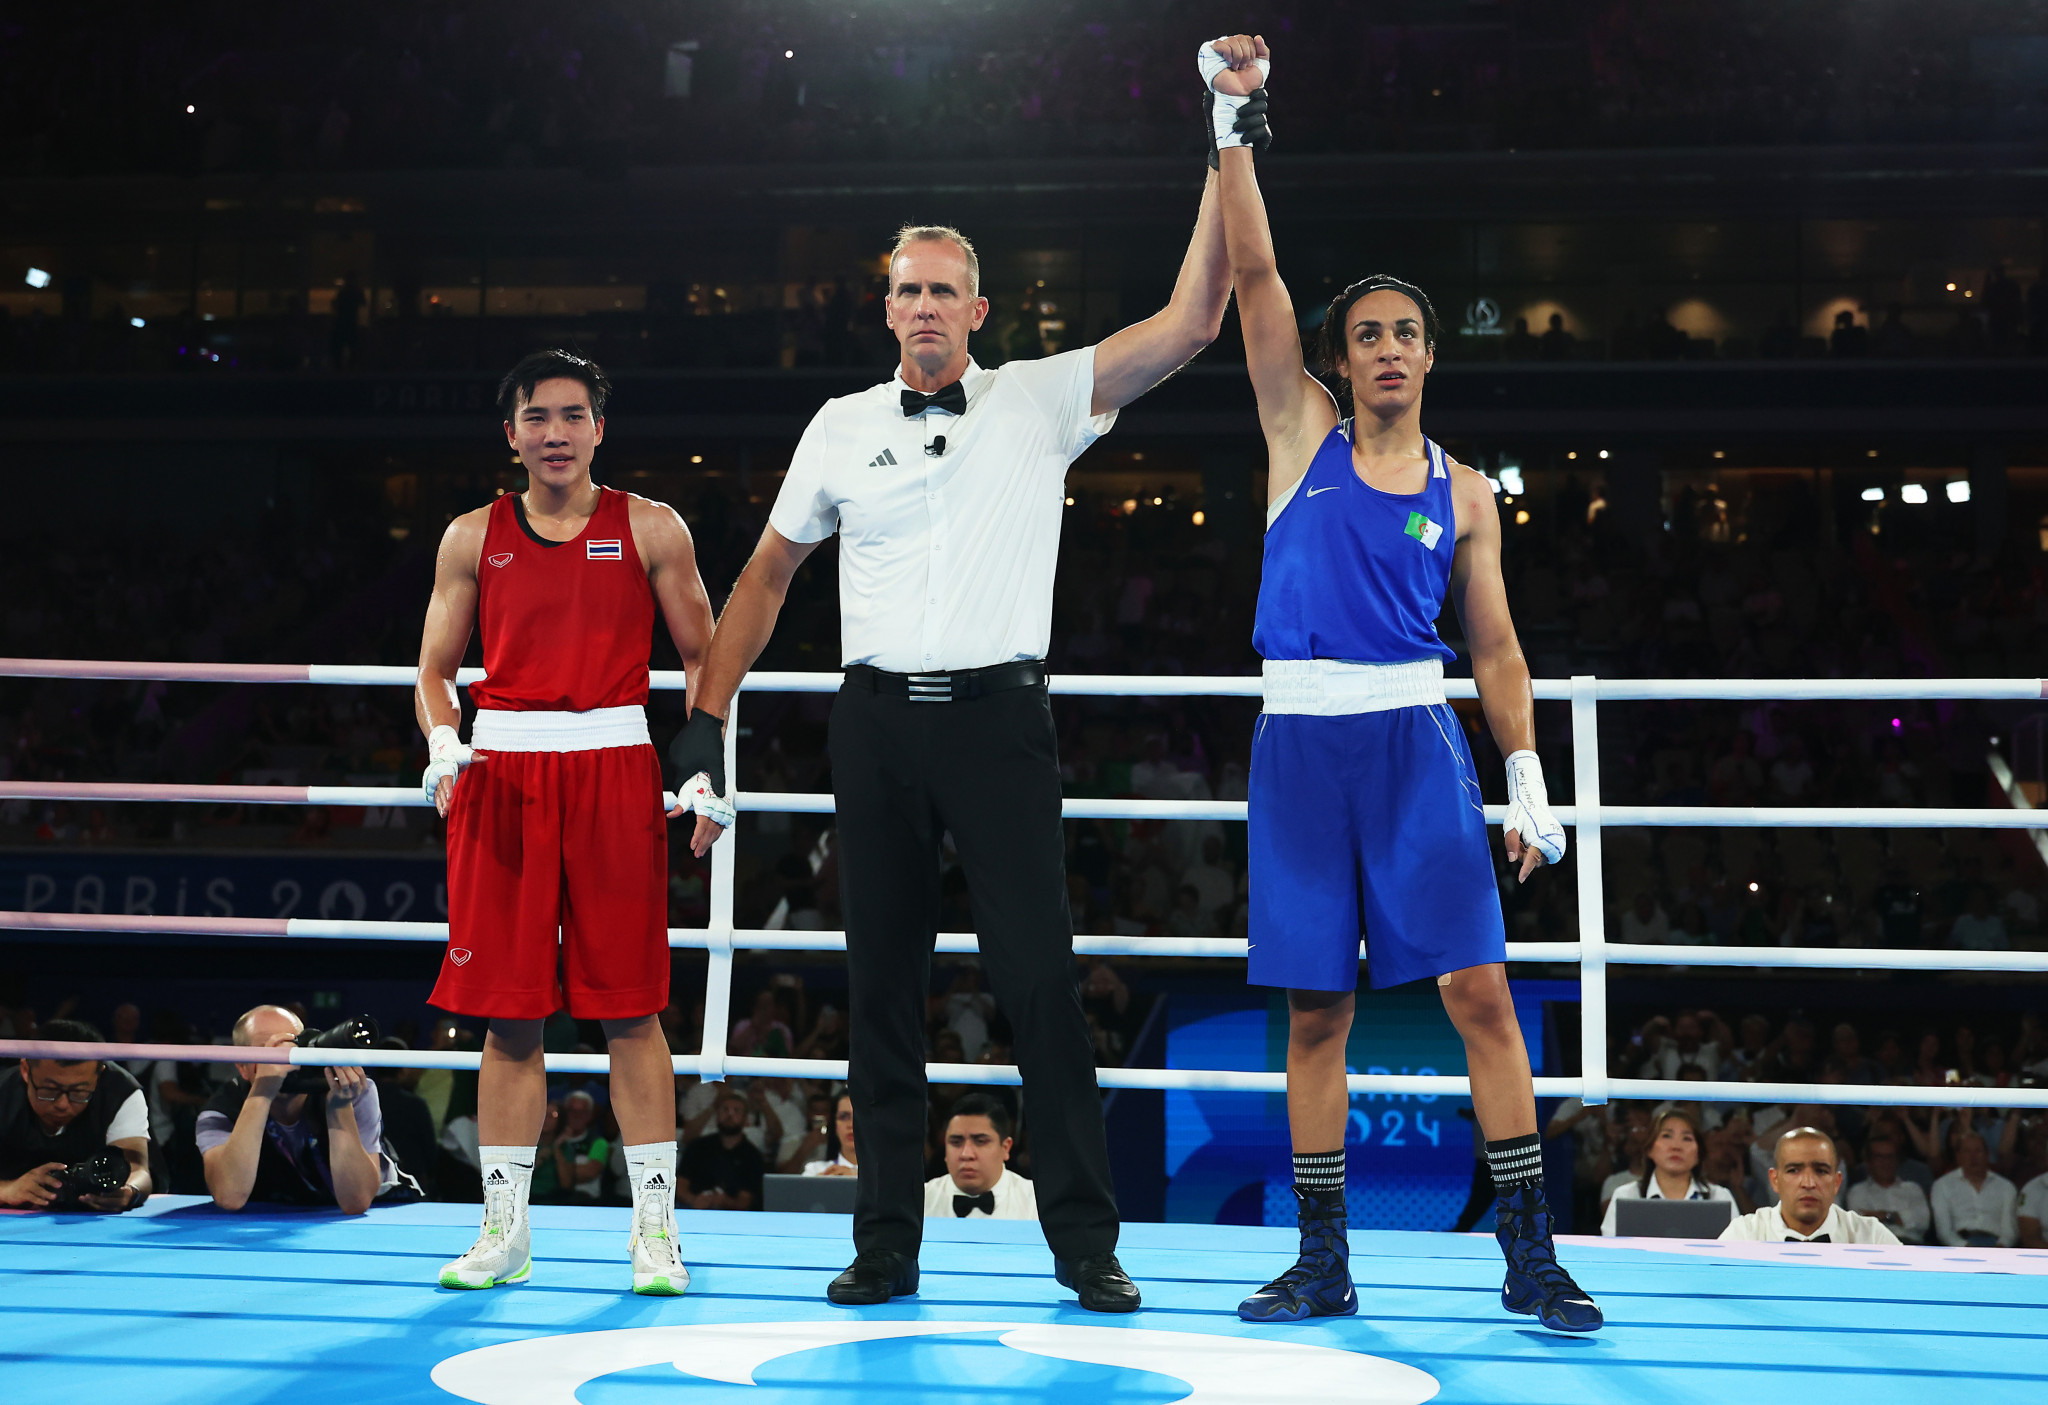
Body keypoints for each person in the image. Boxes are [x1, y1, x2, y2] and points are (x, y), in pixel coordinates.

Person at [669, 78, 1234, 1312]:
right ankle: (884, 1247)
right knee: (879, 989)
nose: (923, 305)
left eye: (943, 288)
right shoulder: (836, 425)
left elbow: (1194, 320)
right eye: (905, 287)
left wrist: (1225, 133)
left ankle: (1086, 1242)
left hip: (996, 719)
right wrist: (702, 727)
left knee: (1039, 978)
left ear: (979, 308)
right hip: (871, 725)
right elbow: (763, 580)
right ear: (884, 309)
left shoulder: (1039, 396)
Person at [1208, 34, 1595, 1332]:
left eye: (1406, 334)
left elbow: (1493, 649)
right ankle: (1325, 1257)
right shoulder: (1296, 428)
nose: (1385, 349)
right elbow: (1253, 270)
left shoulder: (1465, 493)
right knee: (1316, 1015)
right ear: (1345, 352)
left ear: (1431, 357)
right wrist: (1232, 116)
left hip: (1418, 748)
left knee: (1480, 994)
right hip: (1300, 748)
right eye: (1366, 332)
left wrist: (1529, 781)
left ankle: (1530, 1255)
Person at [417, 348, 718, 1295]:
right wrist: (440, 741)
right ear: (511, 433)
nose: (555, 432)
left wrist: (701, 769)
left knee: (632, 1008)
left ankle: (655, 1229)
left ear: (599, 427)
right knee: (509, 1016)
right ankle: (505, 1229)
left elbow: (705, 660)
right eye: (537, 416)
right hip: (501, 776)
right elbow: (434, 669)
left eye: (572, 415)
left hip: (614, 770)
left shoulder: (652, 527)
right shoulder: (472, 535)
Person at [198, 1005, 413, 1215]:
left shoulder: (352, 1090)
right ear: (242, 1066)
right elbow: (229, 1197)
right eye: (269, 1049)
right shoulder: (221, 1110)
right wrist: (262, 1093)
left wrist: (339, 1108)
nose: (285, 1058)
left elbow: (356, 1202)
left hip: (384, 1209)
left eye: (291, 1045)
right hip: (287, 1211)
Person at [0, 1018, 153, 1212]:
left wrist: (129, 1192)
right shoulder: (3, 1090)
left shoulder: (121, 1091)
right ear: (25, 1070)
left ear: (98, 1075)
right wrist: (5, 1190)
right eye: (49, 1091)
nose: (63, 1105)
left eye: (79, 1093)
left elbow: (139, 1169)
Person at [1721, 1127, 1899, 1244]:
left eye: (1821, 1171)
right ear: (1775, 1180)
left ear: (1837, 1182)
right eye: (1793, 1170)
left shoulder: (1871, 1236)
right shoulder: (1744, 1234)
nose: (1808, 1183)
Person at [1601, 1109, 1736, 1235]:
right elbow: (1611, 1251)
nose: (1676, 1146)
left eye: (1686, 1138)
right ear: (1649, 1149)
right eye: (1666, 1136)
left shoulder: (1719, 1198)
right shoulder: (1627, 1196)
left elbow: (1735, 1252)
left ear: (1698, 1154)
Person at [924, 1092, 1039, 1220]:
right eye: (956, 1142)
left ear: (1005, 1148)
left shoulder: (1036, 1202)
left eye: (980, 1141)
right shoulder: (921, 1200)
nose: (966, 1154)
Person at [678, 1086, 766, 1210]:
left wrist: (725, 1202)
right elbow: (680, 1185)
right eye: (725, 1110)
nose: (730, 1115)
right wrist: (694, 1200)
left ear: (746, 1119)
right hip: (694, 1210)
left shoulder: (753, 1156)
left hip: (732, 1217)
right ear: (717, 1114)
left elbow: (746, 1200)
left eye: (736, 1111)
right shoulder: (697, 1147)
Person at [1930, 1132, 2019, 1247]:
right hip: (1959, 1246)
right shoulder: (1942, 1185)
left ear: (1987, 1155)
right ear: (1958, 1156)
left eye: (1978, 1151)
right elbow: (1944, 1231)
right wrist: (1965, 1247)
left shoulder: (2006, 1187)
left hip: (1996, 1246)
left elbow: (2010, 1230)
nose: (1973, 1157)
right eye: (1967, 1151)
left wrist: (2000, 1248)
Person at [1845, 1135, 1931, 1243]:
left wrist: (1886, 1216)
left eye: (1890, 1156)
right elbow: (1860, 1228)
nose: (1886, 1162)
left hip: (1911, 1247)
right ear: (1868, 1162)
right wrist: (1900, 1218)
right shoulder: (1857, 1192)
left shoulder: (1913, 1189)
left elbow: (1923, 1222)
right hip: (1874, 1247)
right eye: (1879, 1157)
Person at [800, 1088, 859, 1176]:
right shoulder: (815, 1171)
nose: (851, 1125)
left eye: (859, 1118)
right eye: (843, 1117)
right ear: (834, 1124)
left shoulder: (885, 1175)